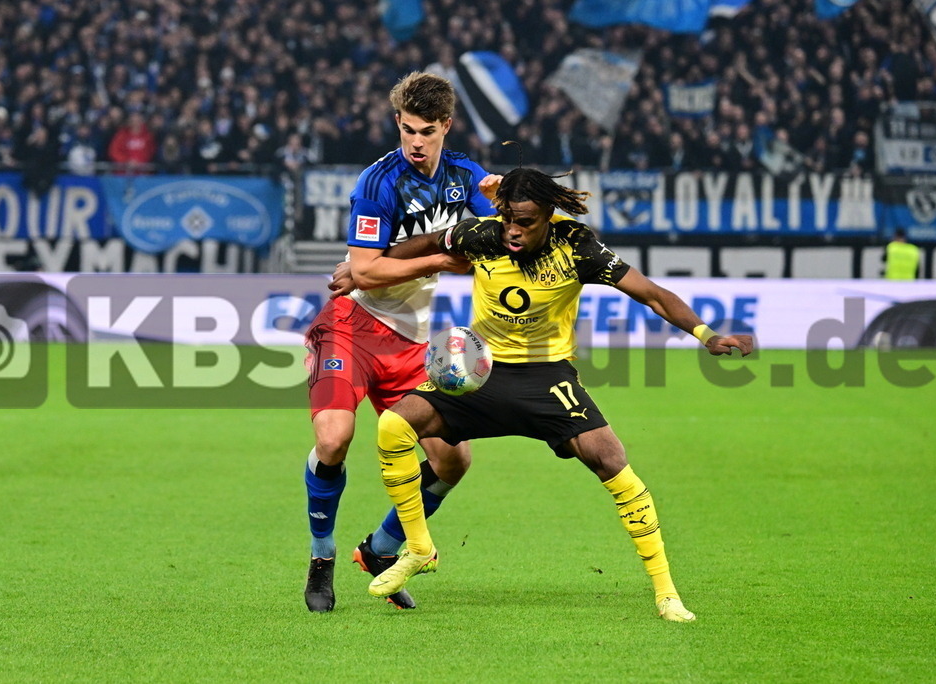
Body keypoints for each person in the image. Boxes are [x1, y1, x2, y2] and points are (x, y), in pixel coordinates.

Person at [361, 167, 754, 622]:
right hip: (481, 373)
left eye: (525, 222)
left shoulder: (578, 246)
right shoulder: (481, 234)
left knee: (612, 461)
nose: (513, 230)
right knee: (394, 423)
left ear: (548, 215)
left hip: (548, 378)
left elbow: (649, 293)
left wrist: (705, 334)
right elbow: (428, 244)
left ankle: (666, 595)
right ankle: (416, 547)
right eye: (508, 217)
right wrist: (365, 269)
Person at [302, 71, 501, 612]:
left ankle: (382, 548)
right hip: (352, 325)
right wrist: (444, 259)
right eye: (407, 129)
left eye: (427, 132)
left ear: (446, 127)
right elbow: (363, 272)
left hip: (412, 342)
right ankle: (322, 558)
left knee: (454, 461)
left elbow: (501, 234)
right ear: (397, 124)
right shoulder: (378, 182)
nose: (415, 142)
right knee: (333, 440)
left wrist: (504, 204)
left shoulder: (466, 176)